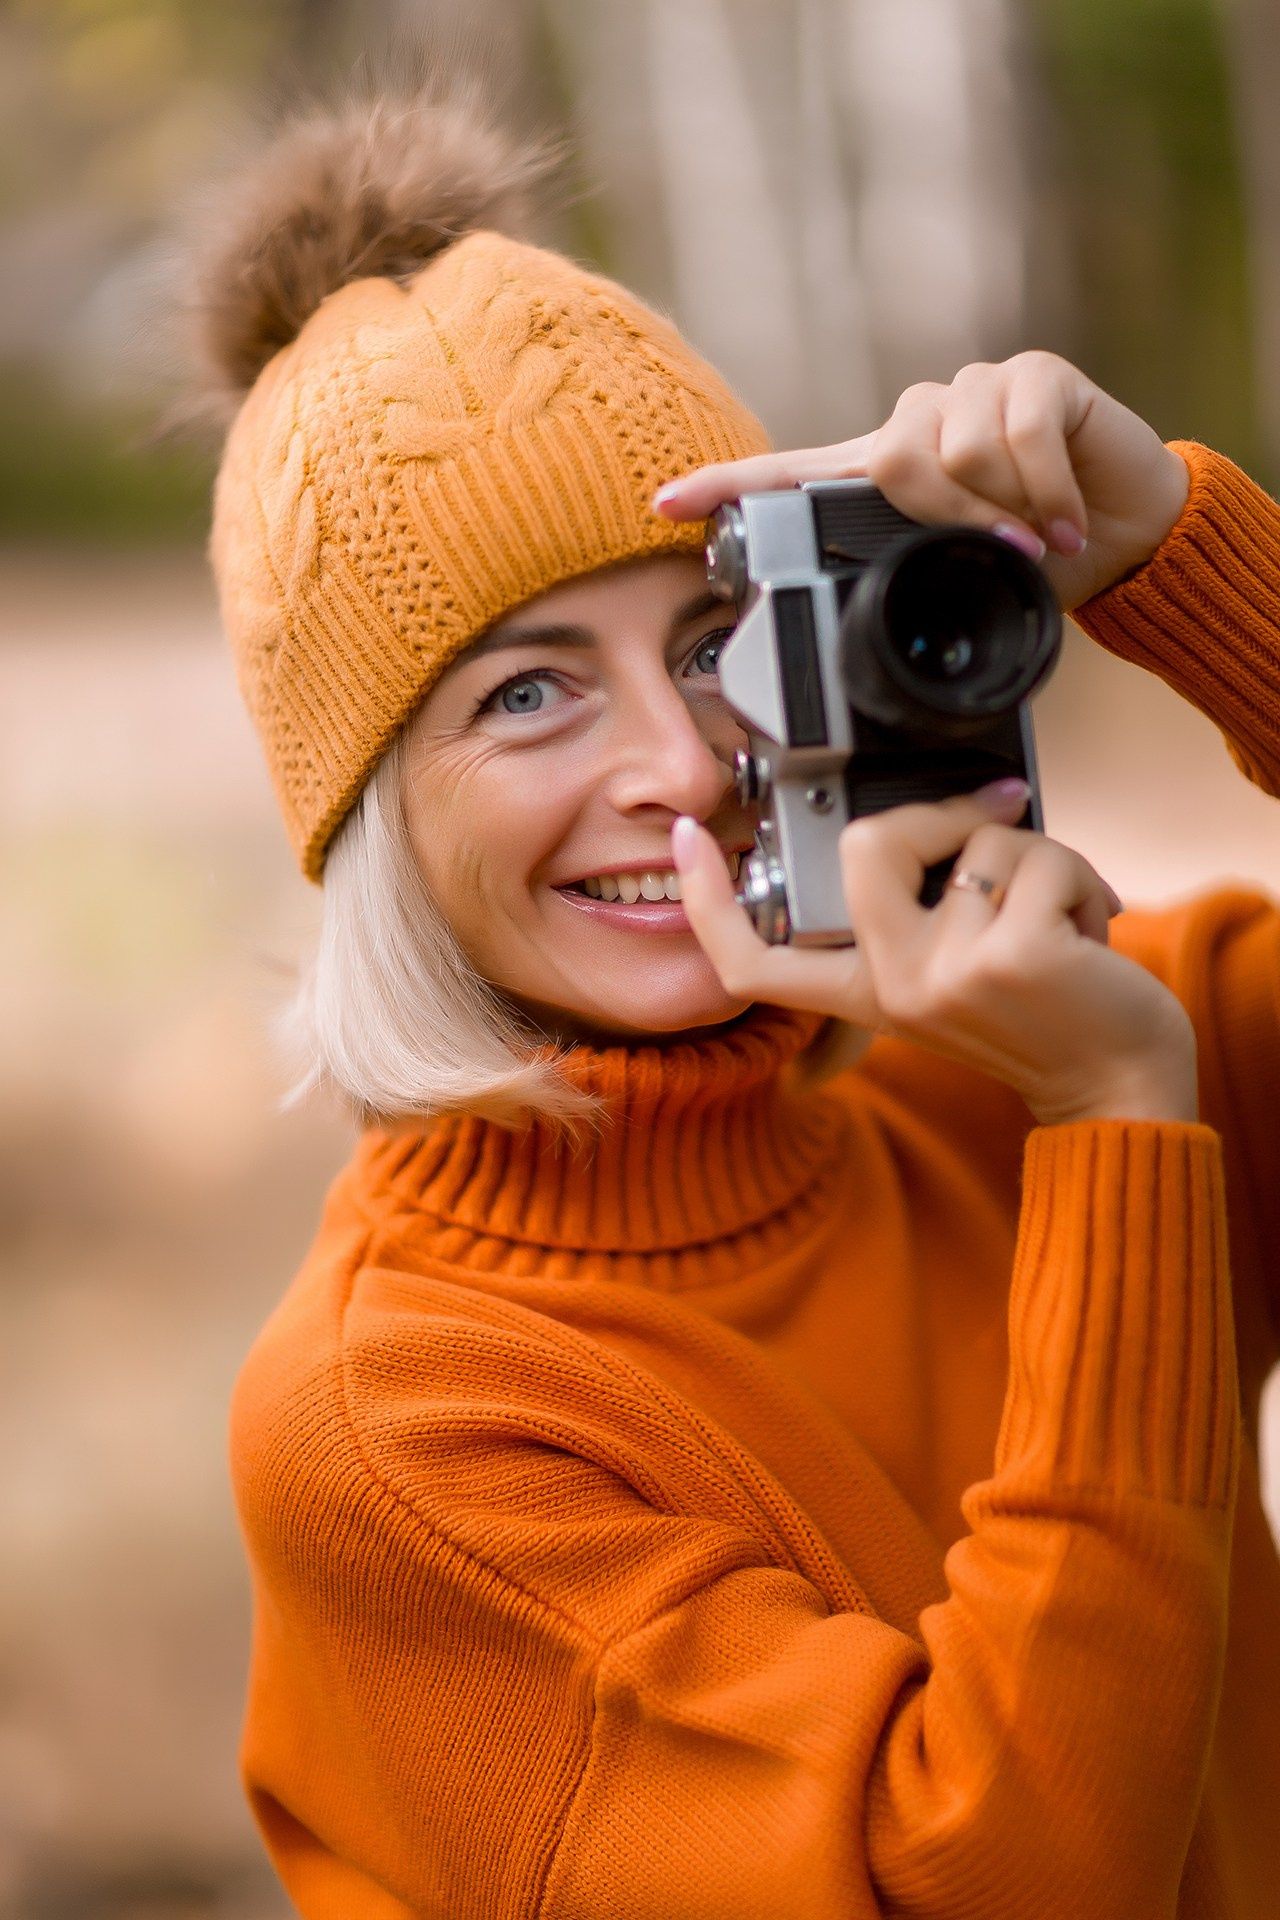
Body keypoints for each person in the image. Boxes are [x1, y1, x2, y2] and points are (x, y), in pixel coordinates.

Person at [198, 89, 1280, 1918]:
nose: (684, 766)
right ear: (372, 813)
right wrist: (1110, 1135)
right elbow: (1003, 1880)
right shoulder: (397, 1419)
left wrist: (1188, 551)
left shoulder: (1033, 1049)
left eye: (717, 645)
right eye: (527, 696)